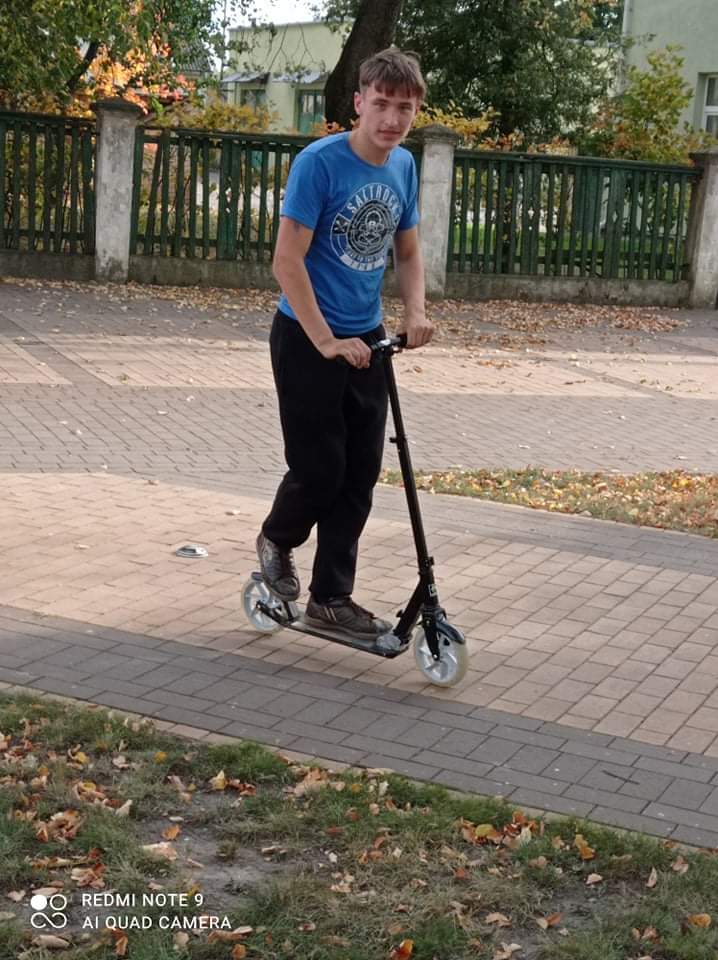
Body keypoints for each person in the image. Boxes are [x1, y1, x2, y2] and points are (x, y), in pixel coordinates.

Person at [256, 47, 433, 643]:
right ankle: (277, 539)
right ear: (359, 103)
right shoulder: (320, 164)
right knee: (320, 468)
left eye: (404, 108)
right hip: (307, 336)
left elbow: (407, 251)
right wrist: (326, 340)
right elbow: (287, 261)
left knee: (360, 473)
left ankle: (330, 598)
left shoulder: (403, 166)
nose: (392, 118)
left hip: (367, 338)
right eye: (381, 104)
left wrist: (415, 313)